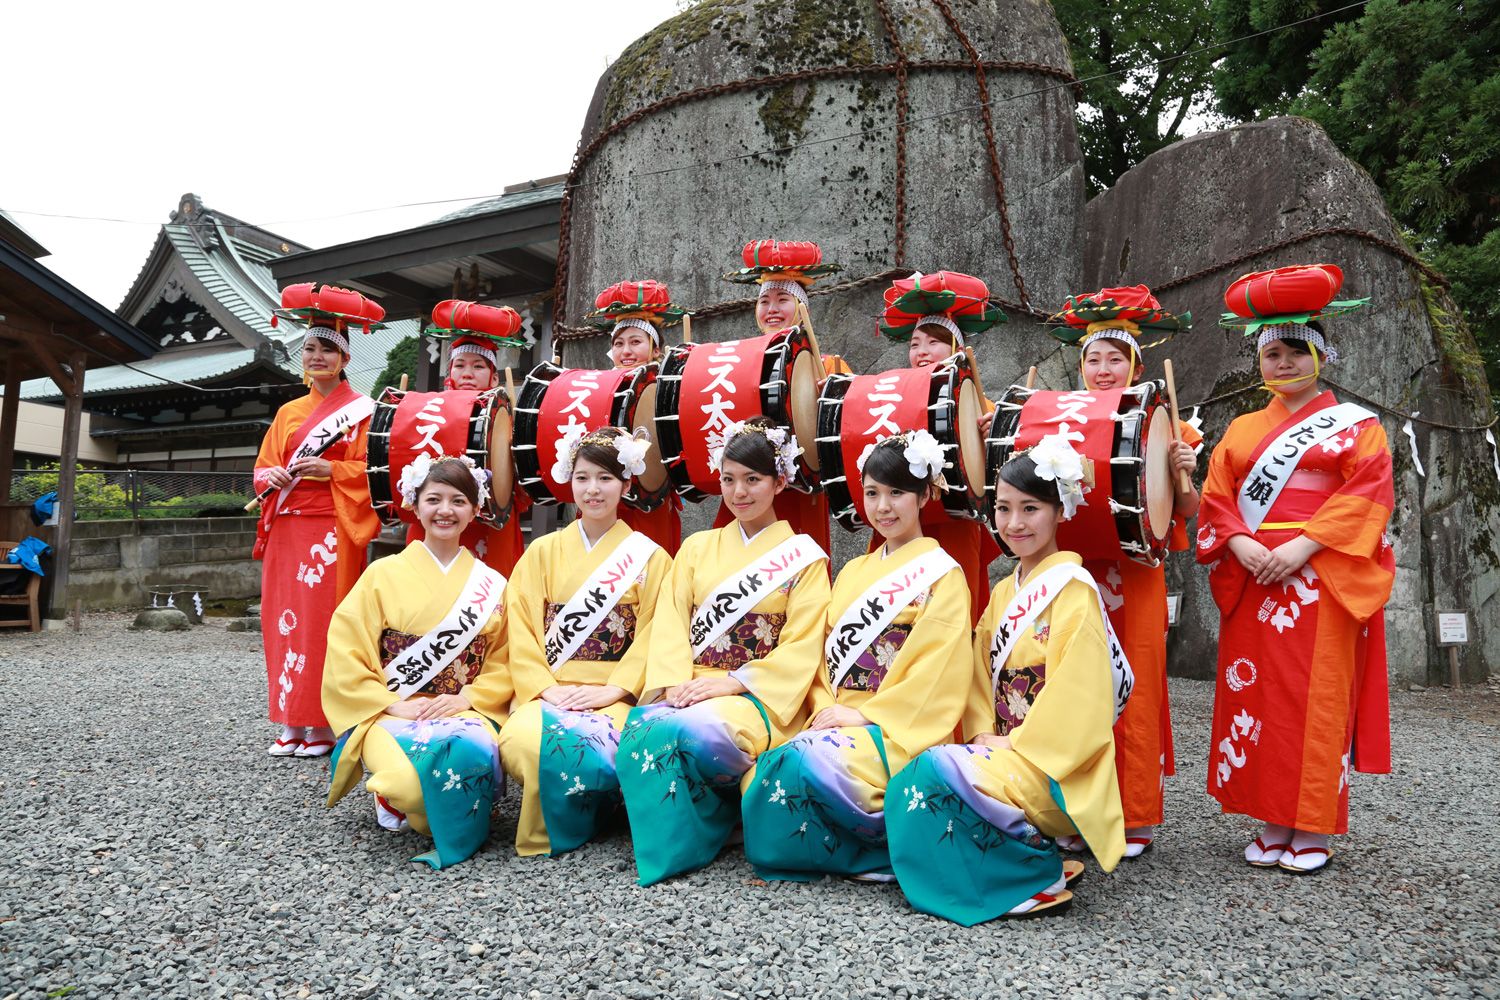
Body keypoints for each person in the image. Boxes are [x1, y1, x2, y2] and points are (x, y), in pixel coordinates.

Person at [886, 435, 1132, 924]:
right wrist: (982, 733)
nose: (1014, 524)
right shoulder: (1003, 593)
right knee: (910, 780)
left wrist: (1016, 743)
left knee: (933, 776)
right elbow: (976, 677)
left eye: (1030, 509)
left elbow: (1079, 698)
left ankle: (1032, 875)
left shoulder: (1074, 593)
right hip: (1001, 750)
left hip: (1051, 763)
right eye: (1002, 508)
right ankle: (1021, 853)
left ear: (1060, 511)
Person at [1198, 264, 1393, 874]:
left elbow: (1369, 493)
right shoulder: (1241, 428)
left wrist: (1302, 547)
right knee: (1256, 696)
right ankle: (1270, 820)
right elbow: (1216, 497)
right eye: (1271, 353)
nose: (1281, 364)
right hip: (1256, 574)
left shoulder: (1357, 426)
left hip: (1318, 576)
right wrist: (1237, 543)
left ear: (1321, 355)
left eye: (1294, 352)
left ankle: (1310, 826)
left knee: (1315, 697)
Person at [741, 431, 971, 881]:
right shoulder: (853, 571)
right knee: (762, 773)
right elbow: (822, 656)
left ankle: (874, 849)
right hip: (838, 716)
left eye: (897, 493)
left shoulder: (943, 577)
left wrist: (865, 715)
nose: (883, 507)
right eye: (872, 493)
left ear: (925, 495)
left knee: (799, 765)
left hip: (893, 729)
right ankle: (847, 848)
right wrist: (828, 707)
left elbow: (938, 672)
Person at [617, 417, 831, 885]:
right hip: (691, 683)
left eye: (753, 480)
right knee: (645, 728)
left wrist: (735, 682)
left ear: (779, 482)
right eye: (729, 479)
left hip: (753, 693)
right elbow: (672, 621)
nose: (739, 492)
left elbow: (802, 642)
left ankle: (716, 819)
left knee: (702, 733)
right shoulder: (696, 547)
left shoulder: (804, 558)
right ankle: (693, 828)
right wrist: (674, 682)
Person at [1046, 285, 1200, 857]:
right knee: (1072, 684)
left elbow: (1186, 511)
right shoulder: (1059, 420)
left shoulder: (1167, 424)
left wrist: (1185, 471)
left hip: (1135, 575)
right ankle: (1071, 807)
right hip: (1078, 569)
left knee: (1134, 686)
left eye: (1116, 359)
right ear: (1080, 366)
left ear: (1135, 364)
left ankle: (1134, 813)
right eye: (1093, 359)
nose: (1104, 369)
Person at [321, 454, 513, 868]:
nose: (446, 511)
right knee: (410, 786)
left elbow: (506, 657)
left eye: (459, 501)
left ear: (475, 510)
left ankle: (447, 811)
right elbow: (347, 646)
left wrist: (472, 697)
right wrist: (389, 701)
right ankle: (392, 794)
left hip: (462, 708)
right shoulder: (382, 573)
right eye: (434, 499)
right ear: (415, 503)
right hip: (393, 707)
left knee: (465, 759)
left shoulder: (492, 584)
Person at [497, 426, 673, 857]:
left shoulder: (651, 558)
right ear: (569, 481)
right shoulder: (541, 552)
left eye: (606, 478)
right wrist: (546, 688)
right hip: (551, 691)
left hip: (614, 694)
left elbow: (658, 632)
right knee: (523, 741)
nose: (593, 489)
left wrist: (617, 688)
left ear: (627, 483)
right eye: (582, 477)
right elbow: (519, 628)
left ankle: (595, 807)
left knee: (609, 743)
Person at [254, 285, 383, 759]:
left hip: (333, 525)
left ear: (345, 357)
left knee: (325, 622)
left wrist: (335, 470)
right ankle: (290, 719)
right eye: (310, 347)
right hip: (288, 525)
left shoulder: (362, 412)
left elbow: (374, 471)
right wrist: (275, 474)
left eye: (327, 348)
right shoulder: (288, 412)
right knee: (283, 621)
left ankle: (326, 722)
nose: (316, 356)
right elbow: (262, 468)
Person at [873, 270, 1006, 625]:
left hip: (953, 522)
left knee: (953, 612)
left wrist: (994, 437)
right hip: (896, 518)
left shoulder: (982, 406)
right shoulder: (890, 398)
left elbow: (1001, 472)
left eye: (934, 342)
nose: (921, 352)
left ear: (958, 351)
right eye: (915, 344)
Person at [713, 239, 850, 556]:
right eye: (764, 301)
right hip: (744, 488)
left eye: (782, 299)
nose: (771, 309)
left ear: (802, 308)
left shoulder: (829, 366)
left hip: (801, 493)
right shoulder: (736, 362)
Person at [414, 300, 531, 576]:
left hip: (492, 524)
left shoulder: (508, 418)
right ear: (449, 372)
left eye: (478, 366)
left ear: (493, 378)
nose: (467, 373)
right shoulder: (427, 413)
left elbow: (524, 493)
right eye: (460, 365)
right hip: (436, 517)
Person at [587, 279, 690, 554]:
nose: (626, 351)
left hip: (651, 495)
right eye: (619, 343)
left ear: (656, 349)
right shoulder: (599, 387)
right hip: (604, 497)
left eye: (636, 342)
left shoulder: (669, 387)